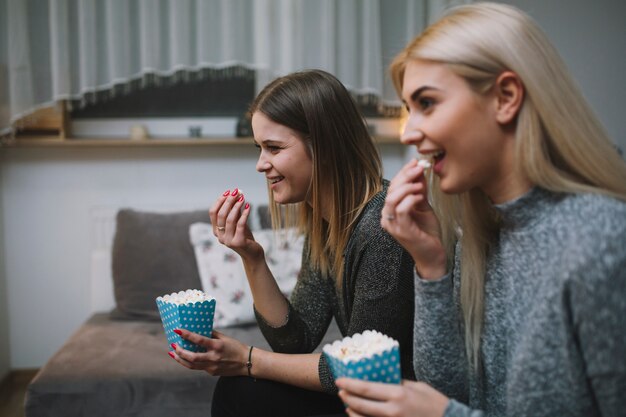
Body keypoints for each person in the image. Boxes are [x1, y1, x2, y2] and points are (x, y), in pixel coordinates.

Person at [335, 3, 626, 417]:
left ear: (506, 98)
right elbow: (454, 391)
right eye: (408, 109)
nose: (410, 131)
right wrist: (431, 265)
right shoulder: (480, 234)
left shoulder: (604, 241)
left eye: (427, 103)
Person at [169, 69, 417, 416]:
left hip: (397, 404)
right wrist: (251, 258)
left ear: (325, 146)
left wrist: (247, 359)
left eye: (273, 147)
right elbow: (294, 340)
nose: (260, 164)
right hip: (365, 398)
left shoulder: (383, 228)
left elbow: (359, 370)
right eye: (260, 148)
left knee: (242, 390)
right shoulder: (327, 221)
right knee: (240, 389)